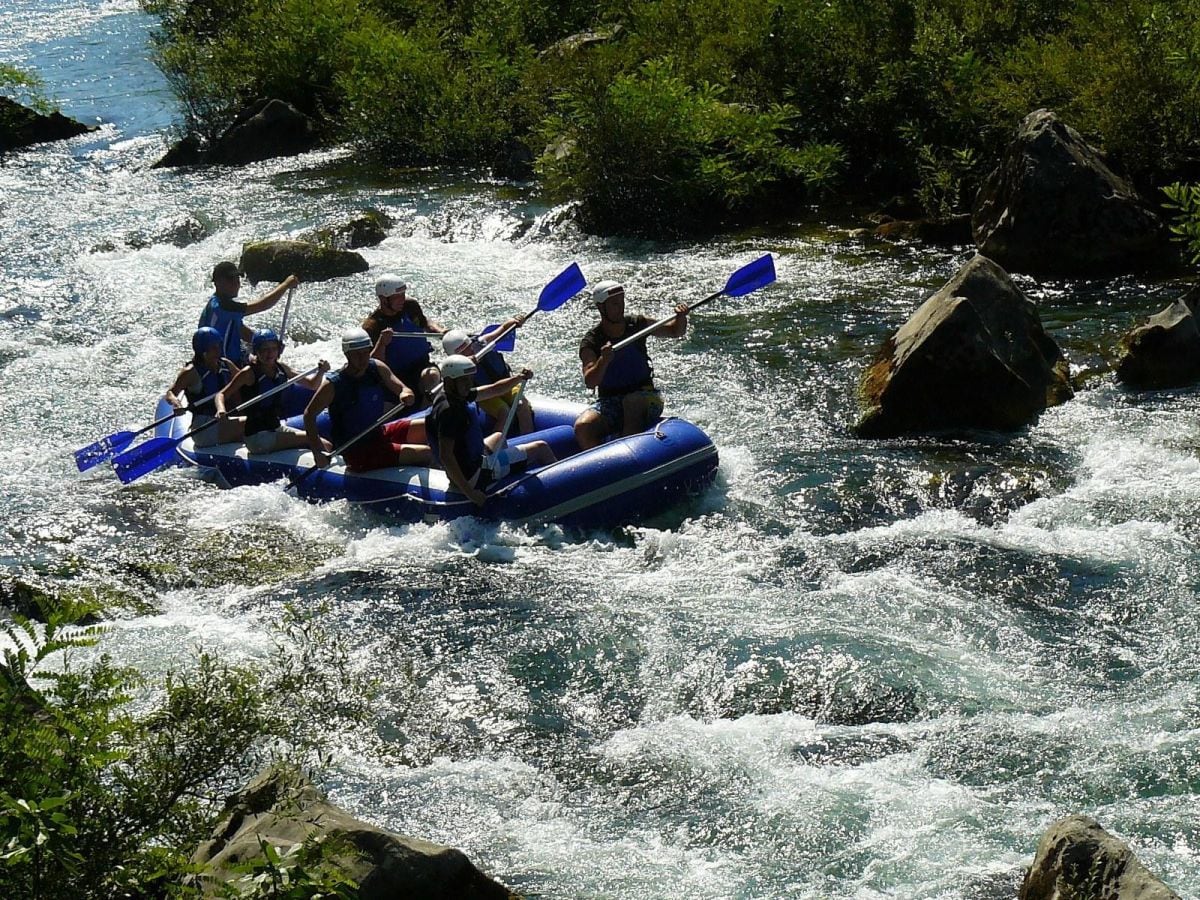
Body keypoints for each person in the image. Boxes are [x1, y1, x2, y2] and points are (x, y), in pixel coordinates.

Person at [427, 354, 557, 508]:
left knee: (499, 437)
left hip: (472, 462)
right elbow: (446, 456)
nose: (469, 384)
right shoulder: (450, 411)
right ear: (449, 381)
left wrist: (518, 378)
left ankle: (511, 464)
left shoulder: (449, 396)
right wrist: (471, 494)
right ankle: (560, 493)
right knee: (541, 448)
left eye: (470, 379)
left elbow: (494, 389)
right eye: (464, 380)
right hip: (476, 475)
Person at [574, 280, 688, 449]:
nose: (620, 307)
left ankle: (628, 454)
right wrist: (603, 361)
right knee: (583, 427)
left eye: (622, 302)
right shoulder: (591, 341)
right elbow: (590, 381)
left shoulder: (637, 324)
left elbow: (675, 331)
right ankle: (603, 467)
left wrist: (681, 317)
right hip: (610, 402)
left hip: (646, 396)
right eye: (614, 304)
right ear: (600, 308)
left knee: (631, 402)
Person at [303, 328, 430, 472]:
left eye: (365, 352)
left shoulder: (376, 367)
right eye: (357, 355)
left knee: (428, 426)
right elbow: (309, 414)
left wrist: (405, 394)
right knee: (426, 453)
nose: (363, 358)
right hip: (356, 451)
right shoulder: (334, 384)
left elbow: (403, 389)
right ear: (347, 355)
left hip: (378, 433)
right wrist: (317, 451)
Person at [217, 329, 329, 455]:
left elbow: (312, 384)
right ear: (256, 351)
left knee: (326, 443)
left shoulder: (281, 368)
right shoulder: (249, 373)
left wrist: (321, 371)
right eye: (264, 349)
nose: (269, 353)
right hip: (257, 438)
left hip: (275, 428)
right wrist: (221, 410)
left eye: (273, 348)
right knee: (317, 441)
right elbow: (221, 395)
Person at [362, 274, 445, 406]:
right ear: (383, 299)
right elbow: (370, 365)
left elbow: (425, 323)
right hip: (394, 376)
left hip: (420, 365)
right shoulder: (372, 326)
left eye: (403, 294)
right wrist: (382, 344)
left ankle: (428, 413)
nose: (402, 299)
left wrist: (440, 331)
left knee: (432, 377)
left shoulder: (410, 306)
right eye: (397, 297)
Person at [442, 318, 534, 435]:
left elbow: (502, 329)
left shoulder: (481, 343)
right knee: (504, 412)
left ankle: (528, 438)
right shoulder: (454, 366)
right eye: (462, 352)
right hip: (485, 394)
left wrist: (513, 322)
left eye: (468, 347)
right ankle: (495, 446)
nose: (469, 352)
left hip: (507, 384)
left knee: (521, 405)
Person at [198, 261, 298, 365]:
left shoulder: (223, 307)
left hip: (236, 357)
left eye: (237, 280)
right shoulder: (222, 307)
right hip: (222, 365)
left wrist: (270, 346)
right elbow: (263, 305)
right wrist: (286, 285)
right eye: (230, 280)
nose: (236, 284)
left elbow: (243, 332)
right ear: (217, 283)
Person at [164, 326, 245, 447]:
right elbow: (170, 392)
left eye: (218, 346)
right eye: (213, 348)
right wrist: (176, 403)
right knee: (253, 425)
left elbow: (247, 379)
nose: (218, 351)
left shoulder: (225, 364)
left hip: (225, 419)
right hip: (204, 427)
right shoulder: (191, 372)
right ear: (202, 351)